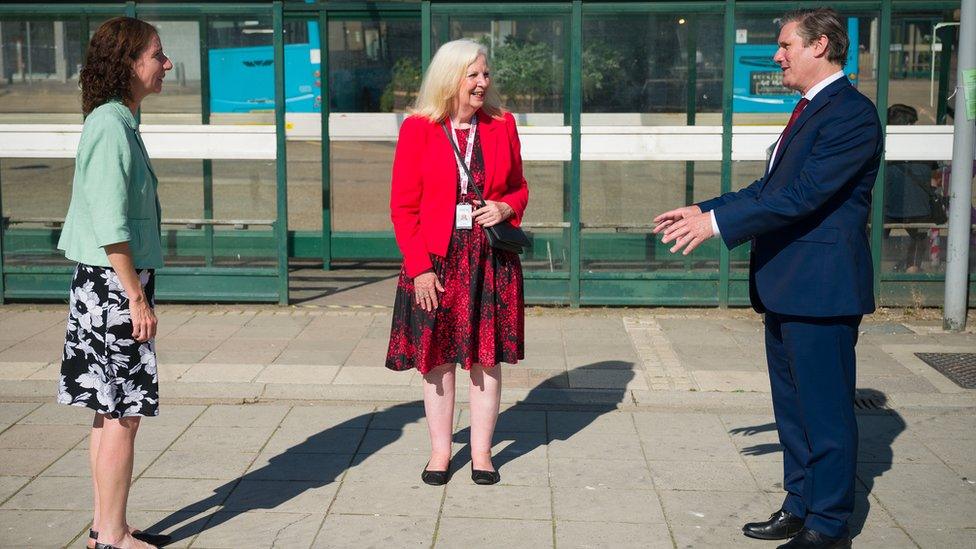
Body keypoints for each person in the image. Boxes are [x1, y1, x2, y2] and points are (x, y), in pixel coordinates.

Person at [652, 8, 881, 549]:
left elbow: (801, 197)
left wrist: (716, 224)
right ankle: (798, 504)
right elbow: (769, 187)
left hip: (821, 290)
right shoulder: (809, 109)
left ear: (820, 45)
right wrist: (704, 208)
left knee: (824, 414)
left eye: (785, 45)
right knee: (793, 411)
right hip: (787, 285)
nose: (777, 55)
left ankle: (828, 523)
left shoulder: (850, 114)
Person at [385, 39, 528, 486]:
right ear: (451, 79)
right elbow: (403, 207)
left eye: (485, 74)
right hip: (436, 263)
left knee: (487, 359)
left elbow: (520, 188)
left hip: (490, 260)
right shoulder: (418, 129)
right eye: (473, 75)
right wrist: (419, 268)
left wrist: (507, 208)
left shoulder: (502, 125)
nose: (483, 83)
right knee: (437, 360)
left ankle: (482, 453)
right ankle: (440, 453)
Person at [56, 17, 173, 549]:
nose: (166, 64)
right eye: (156, 54)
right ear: (128, 64)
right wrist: (136, 297)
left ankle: (106, 527)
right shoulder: (110, 124)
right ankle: (112, 537)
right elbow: (110, 223)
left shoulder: (117, 120)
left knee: (110, 411)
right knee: (123, 414)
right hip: (113, 286)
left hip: (105, 284)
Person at [882, 104, 942, 273]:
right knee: (919, 237)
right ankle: (912, 268)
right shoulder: (924, 148)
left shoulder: (884, 144)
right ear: (908, 126)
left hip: (887, 208)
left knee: (874, 236)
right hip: (919, 209)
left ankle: (871, 267)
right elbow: (935, 181)